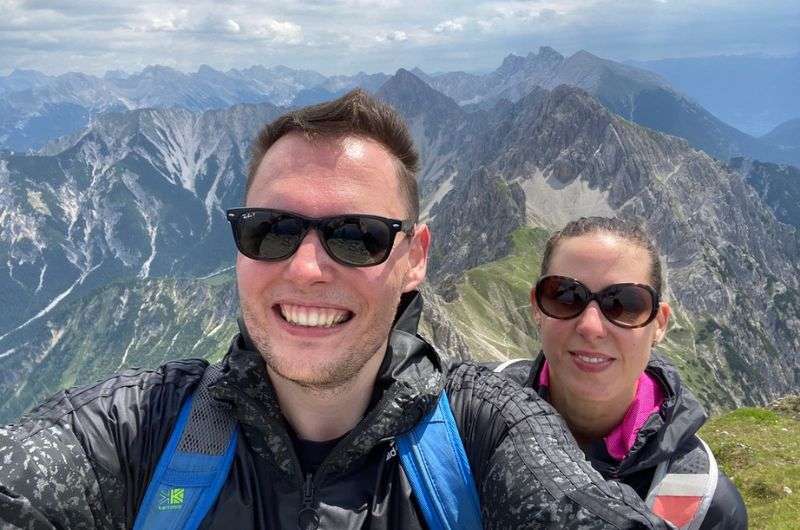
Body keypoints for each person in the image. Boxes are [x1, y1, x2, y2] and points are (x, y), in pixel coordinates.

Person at [0, 92, 669, 529]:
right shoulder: (134, 431)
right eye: (271, 230)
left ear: (415, 258)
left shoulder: (487, 431)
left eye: (357, 237)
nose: (305, 267)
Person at [493, 217, 747, 529]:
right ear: (536, 306)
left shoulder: (707, 507)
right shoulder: (470, 412)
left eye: (625, 303)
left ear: (659, 324)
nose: (591, 327)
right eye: (565, 296)